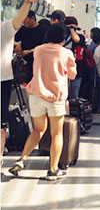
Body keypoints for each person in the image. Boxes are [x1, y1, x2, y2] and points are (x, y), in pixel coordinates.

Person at [8, 23, 77, 180]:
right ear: (63, 37)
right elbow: (72, 75)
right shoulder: (67, 53)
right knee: (57, 133)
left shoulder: (39, 49)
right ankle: (53, 170)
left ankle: (21, 160)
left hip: (36, 95)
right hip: (55, 98)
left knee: (38, 130)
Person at [1, 0, 35, 162]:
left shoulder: (4, 28)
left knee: (1, 125)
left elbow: (19, 19)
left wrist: (27, 3)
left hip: (2, 80)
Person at [14, 10, 47, 82]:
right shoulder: (23, 29)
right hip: (24, 62)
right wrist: (17, 44)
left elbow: (45, 47)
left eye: (25, 20)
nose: (23, 22)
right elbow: (12, 39)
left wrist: (30, 51)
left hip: (38, 61)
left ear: (32, 18)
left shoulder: (43, 30)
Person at [69, 35, 90, 100]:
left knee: (74, 85)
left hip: (75, 68)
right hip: (83, 69)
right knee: (77, 85)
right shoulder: (84, 48)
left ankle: (73, 99)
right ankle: (76, 98)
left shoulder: (75, 48)